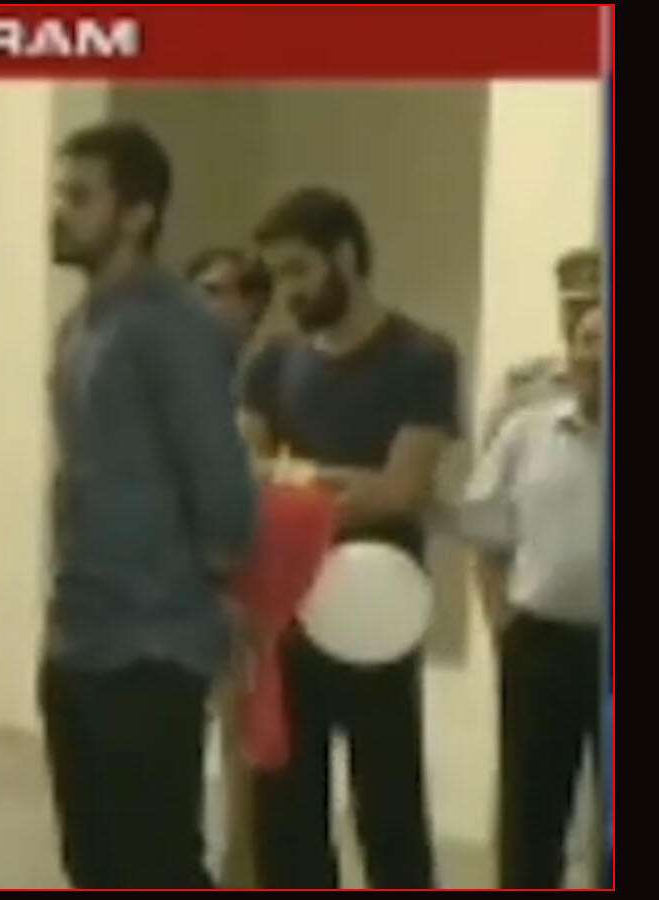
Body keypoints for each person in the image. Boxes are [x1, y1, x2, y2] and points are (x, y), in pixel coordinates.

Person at [44, 120, 257, 888]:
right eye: (59, 194)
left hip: (152, 641)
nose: (59, 211)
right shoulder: (81, 323)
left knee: (156, 864)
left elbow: (221, 480)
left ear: (137, 214)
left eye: (79, 197)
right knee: (95, 864)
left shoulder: (177, 325)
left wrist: (204, 582)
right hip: (79, 631)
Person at [240, 187, 459, 888]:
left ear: (345, 256)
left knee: (389, 808)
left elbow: (400, 490)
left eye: (299, 270)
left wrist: (291, 479)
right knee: (286, 813)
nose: (288, 292)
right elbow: (244, 478)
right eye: (277, 275)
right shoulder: (270, 363)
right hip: (287, 608)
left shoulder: (422, 357)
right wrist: (333, 483)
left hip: (379, 612)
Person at [462, 306, 606, 888]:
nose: (598, 354)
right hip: (541, 645)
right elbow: (485, 537)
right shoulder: (526, 433)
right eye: (588, 340)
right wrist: (503, 626)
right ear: (570, 352)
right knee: (530, 816)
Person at [185, 244, 275, 889]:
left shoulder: (264, 389)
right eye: (202, 291)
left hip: (245, 590)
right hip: (169, 592)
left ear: (253, 308)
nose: (210, 306)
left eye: (224, 292)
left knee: (244, 743)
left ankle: (241, 870)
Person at [479, 247, 601, 447]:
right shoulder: (524, 386)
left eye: (594, 308)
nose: (585, 321)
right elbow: (495, 454)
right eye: (575, 308)